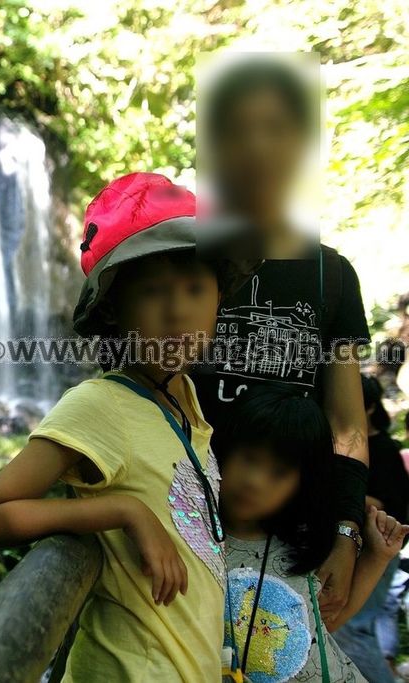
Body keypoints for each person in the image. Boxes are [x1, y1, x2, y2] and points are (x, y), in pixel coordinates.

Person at [0, 172, 256, 681]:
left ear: (217, 301)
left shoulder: (184, 403)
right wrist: (124, 509)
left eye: (195, 288)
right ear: (117, 311)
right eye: (153, 292)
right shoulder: (100, 404)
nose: (177, 311)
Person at [193, 56, 372, 627]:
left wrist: (345, 533)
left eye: (275, 128)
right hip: (180, 522)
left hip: (286, 543)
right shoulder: (183, 255)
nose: (257, 147)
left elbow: (346, 424)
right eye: (238, 129)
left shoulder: (331, 275)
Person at [213, 384, 408, 682]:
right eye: (249, 458)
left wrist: (378, 557)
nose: (255, 481)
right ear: (225, 451)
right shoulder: (198, 540)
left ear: (303, 482)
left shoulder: (307, 541)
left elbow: (326, 621)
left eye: (278, 472)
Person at [334, 375, 409, 682]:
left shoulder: (382, 450)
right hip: (357, 548)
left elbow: (388, 505)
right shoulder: (352, 445)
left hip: (379, 549)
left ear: (367, 408)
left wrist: (338, 487)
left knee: (352, 629)